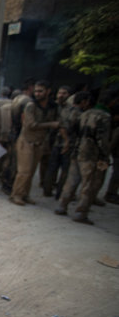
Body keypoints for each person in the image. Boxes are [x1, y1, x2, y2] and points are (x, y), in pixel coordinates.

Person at [68, 90, 115, 224]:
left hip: (77, 151)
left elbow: (74, 131)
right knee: (88, 185)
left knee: (71, 180)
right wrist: (104, 156)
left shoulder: (84, 114)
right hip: (91, 155)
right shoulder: (104, 117)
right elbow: (103, 140)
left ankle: (62, 205)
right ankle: (81, 213)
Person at [10, 80, 59, 205]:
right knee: (24, 171)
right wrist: (51, 125)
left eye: (40, 91)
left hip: (39, 142)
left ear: (48, 91)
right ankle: (16, 194)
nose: (37, 94)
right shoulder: (31, 106)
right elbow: (30, 125)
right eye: (36, 91)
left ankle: (25, 194)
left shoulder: (51, 107)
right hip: (26, 141)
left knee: (31, 171)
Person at [55, 91, 92, 215]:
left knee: (70, 178)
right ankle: (79, 211)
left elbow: (61, 127)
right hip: (76, 149)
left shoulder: (66, 111)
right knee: (80, 180)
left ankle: (62, 204)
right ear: (84, 102)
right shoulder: (83, 115)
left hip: (69, 148)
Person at [43, 86, 72, 198]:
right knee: (50, 167)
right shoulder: (52, 106)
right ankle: (47, 189)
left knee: (64, 169)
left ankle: (59, 192)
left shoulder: (71, 109)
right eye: (59, 92)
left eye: (64, 93)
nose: (61, 95)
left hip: (62, 142)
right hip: (52, 140)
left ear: (68, 95)